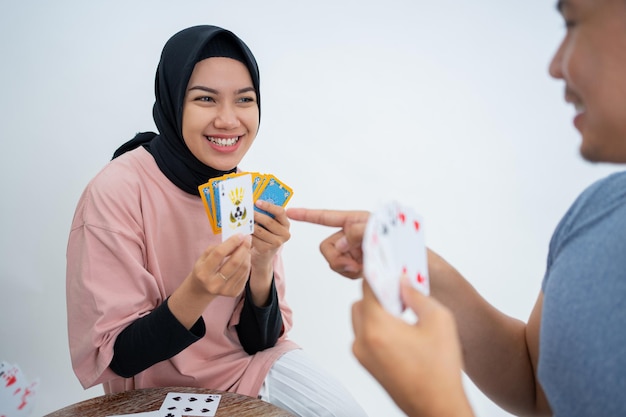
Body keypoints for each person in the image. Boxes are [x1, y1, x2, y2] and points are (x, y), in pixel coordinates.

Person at [286, 0, 626, 416]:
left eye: (572, 23)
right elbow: (534, 384)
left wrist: (436, 404)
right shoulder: (599, 207)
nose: (555, 66)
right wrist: (412, 264)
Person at [65, 25, 368, 417]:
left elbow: (261, 342)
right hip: (155, 391)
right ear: (174, 102)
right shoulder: (116, 191)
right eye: (206, 99)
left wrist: (262, 265)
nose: (228, 120)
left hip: (250, 368)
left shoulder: (242, 188)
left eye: (244, 100)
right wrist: (198, 290)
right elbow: (119, 357)